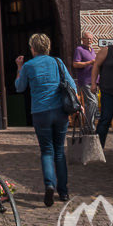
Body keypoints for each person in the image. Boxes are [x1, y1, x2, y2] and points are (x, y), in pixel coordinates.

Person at [15, 33, 75, 206]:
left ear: (32, 49)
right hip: (59, 111)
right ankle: (63, 192)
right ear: (48, 47)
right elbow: (71, 84)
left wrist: (19, 68)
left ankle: (49, 184)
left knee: (47, 151)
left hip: (40, 112)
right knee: (59, 151)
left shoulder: (28, 65)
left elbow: (19, 87)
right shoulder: (57, 62)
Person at [73, 31, 98, 130]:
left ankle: (89, 126)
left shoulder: (92, 50)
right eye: (87, 38)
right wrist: (90, 62)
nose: (89, 40)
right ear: (82, 39)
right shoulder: (79, 50)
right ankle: (89, 126)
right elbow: (75, 64)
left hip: (94, 81)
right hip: (85, 81)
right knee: (93, 102)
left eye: (91, 38)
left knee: (91, 105)